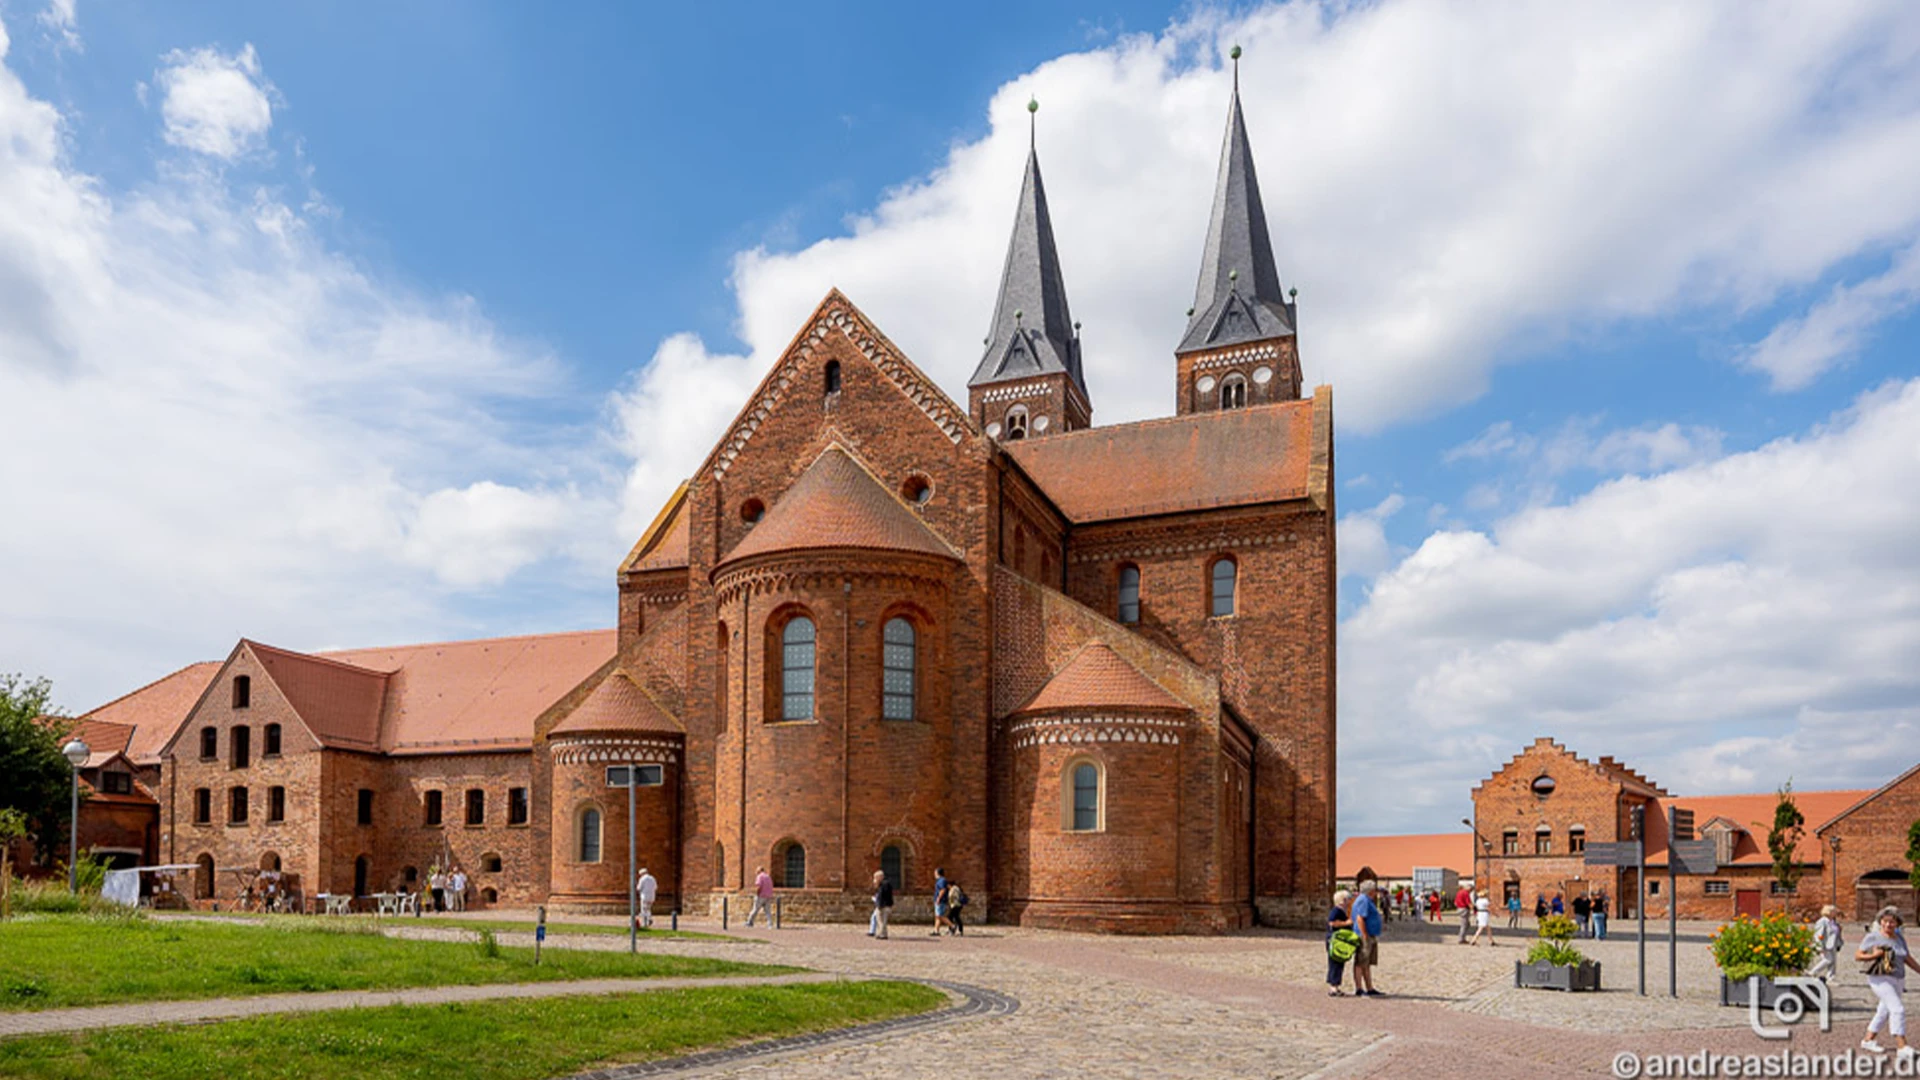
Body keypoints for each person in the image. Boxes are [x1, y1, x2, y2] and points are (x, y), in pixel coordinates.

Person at [1857, 906, 1919, 1059]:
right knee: (1897, 1009)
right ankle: (1902, 1046)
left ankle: (1868, 1040)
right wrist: (1874, 955)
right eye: (1885, 921)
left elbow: (1907, 957)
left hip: (1898, 978)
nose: (1888, 925)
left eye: (1892, 922)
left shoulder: (1899, 938)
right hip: (1880, 978)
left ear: (1897, 923)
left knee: (1884, 1010)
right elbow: (1858, 955)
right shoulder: (1873, 937)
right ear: (1880, 922)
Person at [1351, 880, 1384, 996]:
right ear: (1370, 891)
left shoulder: (1367, 900)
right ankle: (1359, 988)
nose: (1376, 892)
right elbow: (1360, 918)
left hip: (1370, 934)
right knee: (1361, 961)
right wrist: (1364, 934)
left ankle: (1370, 987)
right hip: (1364, 935)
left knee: (1367, 962)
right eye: (1375, 890)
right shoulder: (1363, 900)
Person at [1326, 889, 1358, 996]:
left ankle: (1335, 985)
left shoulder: (1342, 911)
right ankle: (1333, 987)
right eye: (1348, 899)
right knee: (1335, 963)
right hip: (1335, 941)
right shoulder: (1336, 911)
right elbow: (1332, 923)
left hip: (1340, 941)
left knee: (1339, 963)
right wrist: (1346, 923)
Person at [1808, 904, 1843, 981]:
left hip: (1833, 944)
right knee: (1828, 960)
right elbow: (1818, 934)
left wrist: (1839, 942)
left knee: (1833, 961)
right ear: (1828, 912)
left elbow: (1835, 933)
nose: (1835, 913)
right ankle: (1812, 972)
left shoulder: (1832, 922)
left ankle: (1830, 977)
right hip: (1825, 944)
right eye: (1834, 911)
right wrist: (1819, 946)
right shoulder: (1822, 921)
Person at [869, 870, 893, 939]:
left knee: (881, 921)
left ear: (880, 877)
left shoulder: (884, 885)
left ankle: (883, 934)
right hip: (885, 905)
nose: (875, 879)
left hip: (883, 905)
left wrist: (879, 905)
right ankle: (882, 933)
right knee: (881, 920)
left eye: (876, 877)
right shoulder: (884, 884)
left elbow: (881, 896)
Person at [931, 868, 950, 937]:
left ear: (938, 873)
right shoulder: (941, 880)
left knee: (939, 916)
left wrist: (939, 898)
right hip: (940, 900)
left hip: (941, 901)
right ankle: (936, 930)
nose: (934, 874)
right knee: (937, 916)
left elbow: (942, 890)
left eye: (935, 873)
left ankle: (952, 926)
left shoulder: (942, 880)